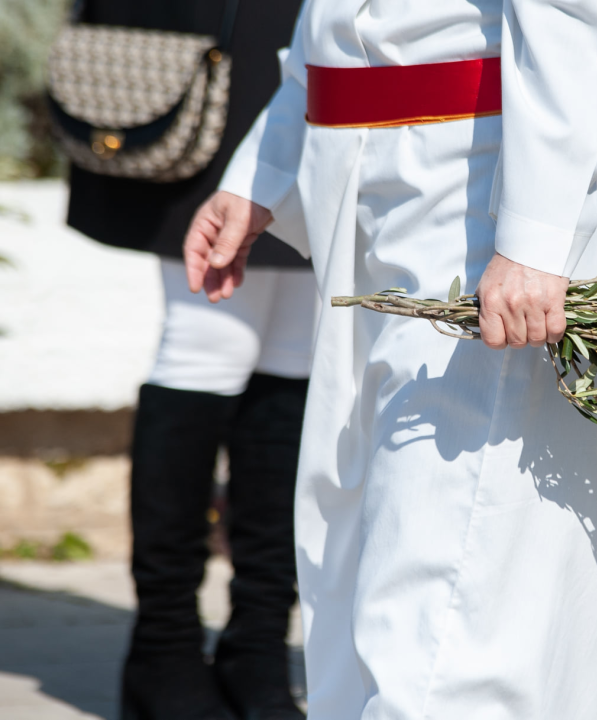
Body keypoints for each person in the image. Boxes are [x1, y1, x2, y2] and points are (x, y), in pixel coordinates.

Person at [184, 1, 597, 717]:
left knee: (455, 597)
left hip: (488, 182)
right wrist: (266, 165)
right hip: (382, 181)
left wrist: (534, 234)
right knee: (372, 550)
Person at [65, 1, 311, 718]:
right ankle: (163, 650)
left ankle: (257, 646)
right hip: (206, 42)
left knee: (296, 346)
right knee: (208, 341)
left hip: (331, 43)